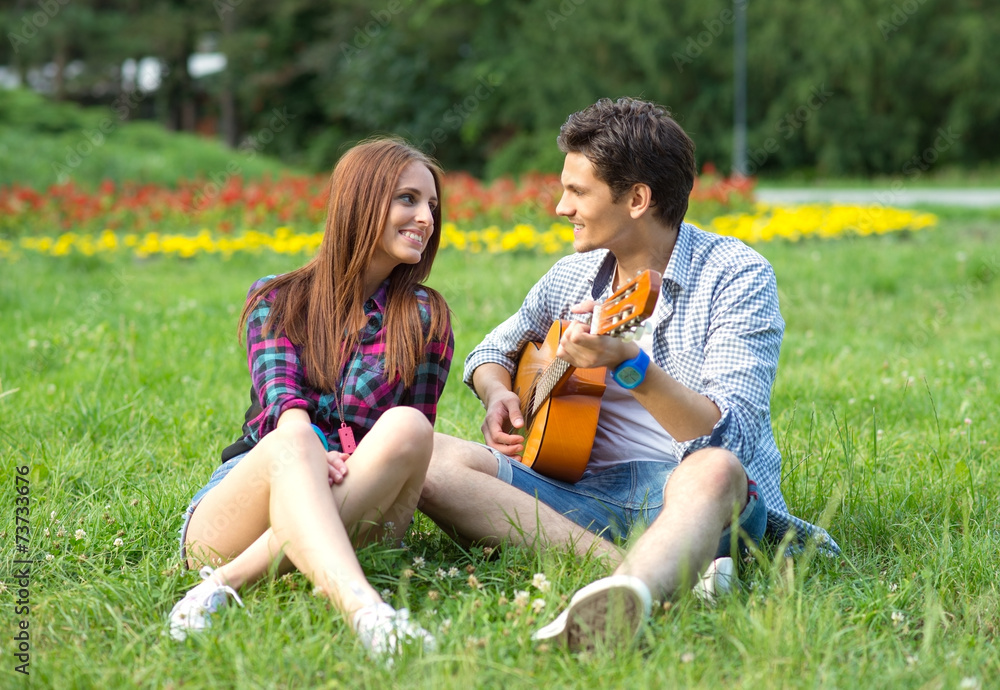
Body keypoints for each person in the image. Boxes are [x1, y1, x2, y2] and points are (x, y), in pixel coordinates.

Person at [418, 97, 838, 652]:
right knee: (428, 456)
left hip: (689, 495)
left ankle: (625, 597)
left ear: (638, 198)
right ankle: (650, 575)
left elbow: (727, 433)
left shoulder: (736, 275)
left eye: (577, 191)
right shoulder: (572, 276)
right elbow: (493, 348)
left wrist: (628, 364)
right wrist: (499, 392)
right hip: (579, 490)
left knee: (714, 470)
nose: (561, 207)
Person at [170, 137, 454, 657]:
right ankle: (368, 613)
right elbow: (285, 409)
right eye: (408, 199)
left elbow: (413, 454)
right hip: (237, 516)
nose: (426, 218)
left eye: (431, 206)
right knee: (294, 439)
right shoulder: (278, 299)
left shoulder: (424, 317)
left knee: (410, 427)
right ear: (360, 201)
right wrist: (310, 451)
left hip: (361, 507)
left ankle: (228, 583)